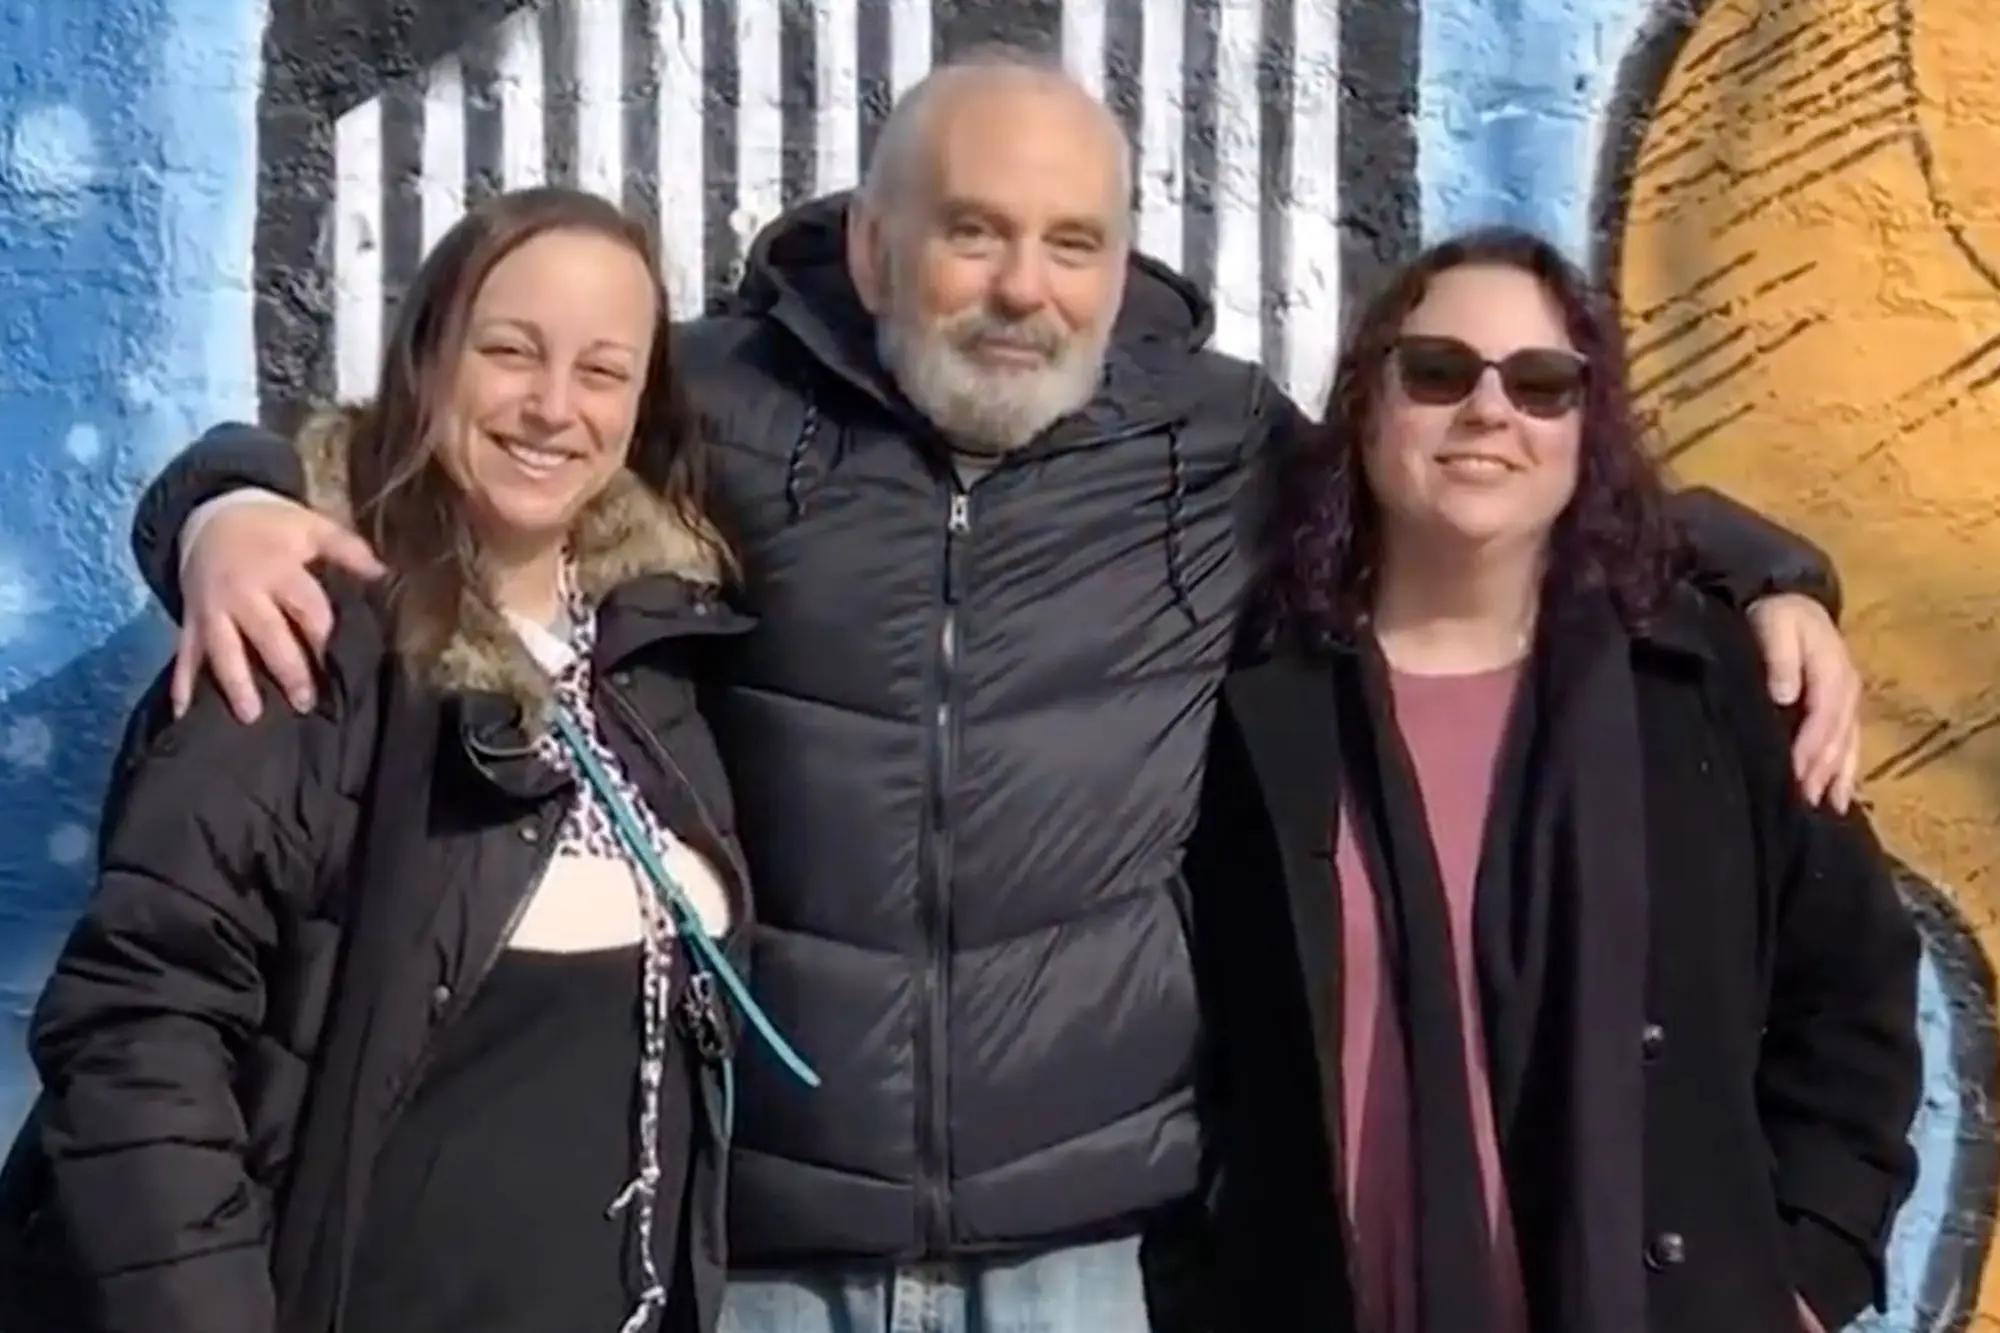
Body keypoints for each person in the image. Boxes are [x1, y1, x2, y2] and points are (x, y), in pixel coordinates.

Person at [114, 47, 1864, 1333]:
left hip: (1086, 1261)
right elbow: (426, 453)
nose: (1025, 286)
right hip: (767, 1258)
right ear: (877, 250)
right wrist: (219, 507)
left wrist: (1772, 573)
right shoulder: (712, 410)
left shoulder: (1211, 442)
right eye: (973, 232)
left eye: (1072, 243)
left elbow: (1476, 481)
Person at [0, 186, 813, 1333]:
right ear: (427, 355)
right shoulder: (304, 638)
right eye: (509, 351)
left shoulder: (657, 651)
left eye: (602, 371)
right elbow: (138, 1035)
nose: (553, 406)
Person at [1186, 228, 1921, 1333]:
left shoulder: (1703, 682)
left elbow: (1853, 992)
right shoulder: (1256, 699)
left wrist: (1809, 1272)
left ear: (1586, 429)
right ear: (1368, 402)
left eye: (1540, 385)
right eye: (1438, 373)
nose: (1489, 411)